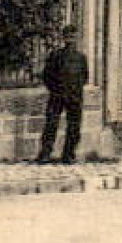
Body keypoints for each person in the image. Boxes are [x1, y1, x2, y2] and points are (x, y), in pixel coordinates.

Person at [36, 27, 89, 164]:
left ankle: (69, 154)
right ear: (63, 39)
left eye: (73, 37)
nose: (71, 40)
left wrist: (75, 91)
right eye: (68, 37)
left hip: (74, 97)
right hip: (57, 95)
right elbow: (47, 76)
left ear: (77, 39)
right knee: (51, 124)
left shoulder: (81, 58)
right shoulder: (55, 56)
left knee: (74, 127)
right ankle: (45, 154)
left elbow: (84, 77)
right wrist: (56, 90)